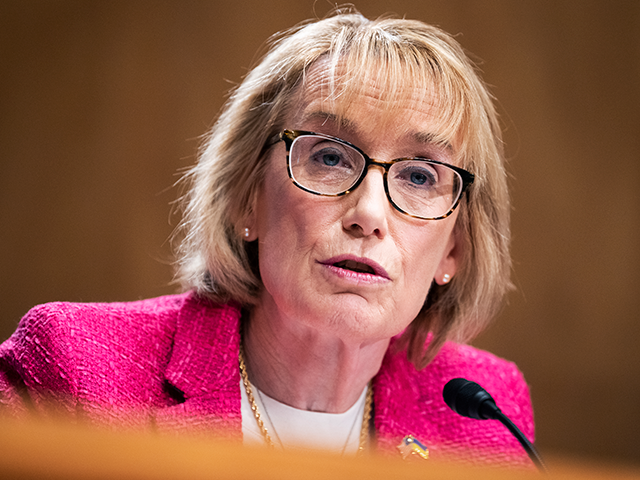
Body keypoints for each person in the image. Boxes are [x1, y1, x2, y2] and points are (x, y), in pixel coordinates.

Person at [0, 9, 534, 468]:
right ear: (244, 199)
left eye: (420, 176)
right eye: (329, 156)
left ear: (455, 249)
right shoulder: (75, 373)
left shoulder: (486, 416)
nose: (369, 213)